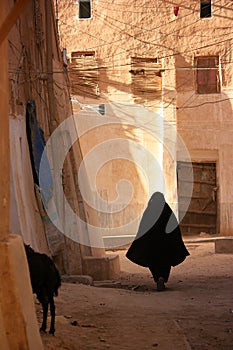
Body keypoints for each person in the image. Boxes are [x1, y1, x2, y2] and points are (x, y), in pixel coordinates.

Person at [126, 191, 189, 291]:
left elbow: (143, 229)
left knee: (154, 263)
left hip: (152, 247)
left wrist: (140, 244)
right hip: (166, 247)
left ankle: (157, 278)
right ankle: (162, 278)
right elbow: (175, 230)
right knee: (165, 263)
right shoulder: (167, 212)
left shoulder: (149, 212)